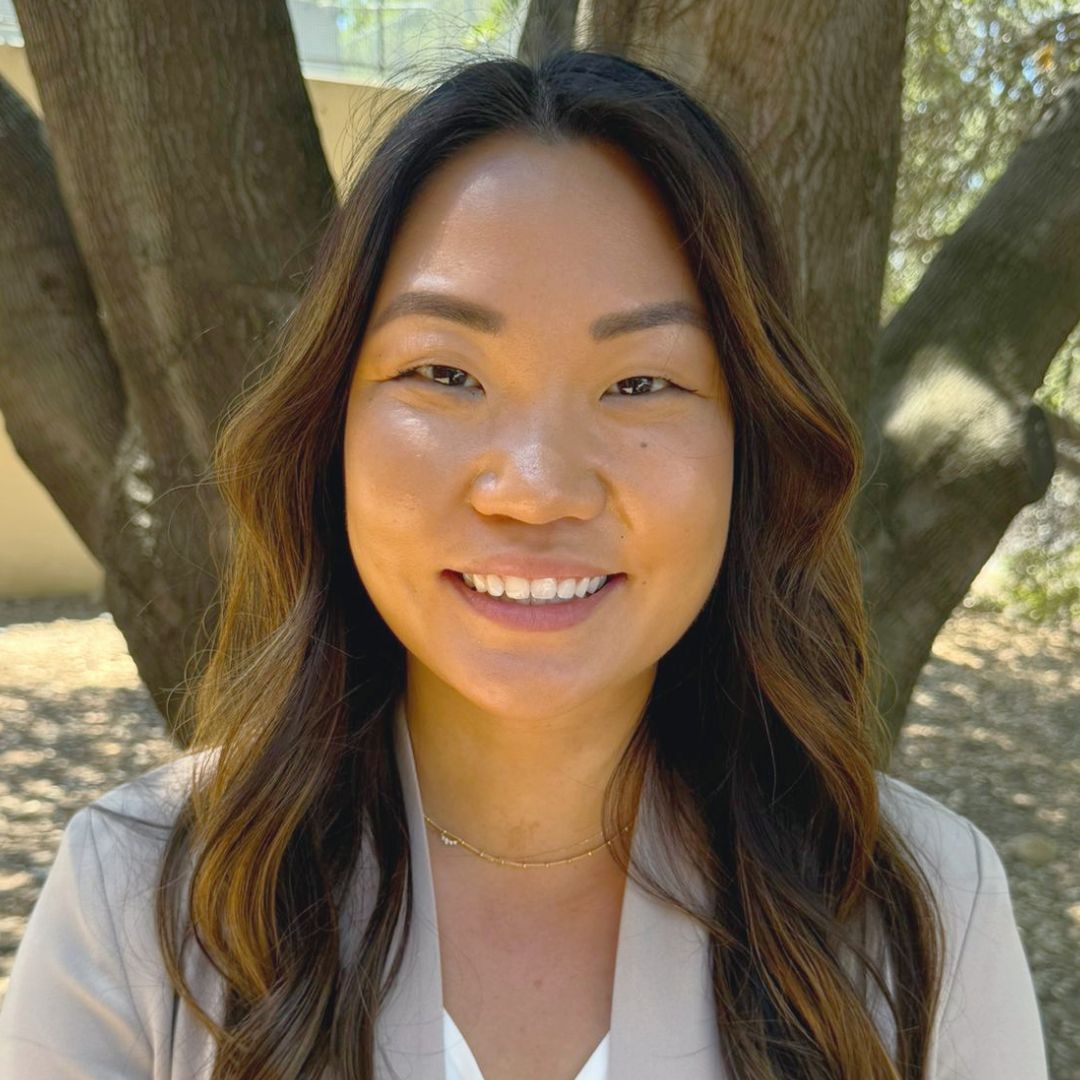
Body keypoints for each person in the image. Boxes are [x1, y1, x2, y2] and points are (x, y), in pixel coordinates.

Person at [0, 49, 1048, 1080]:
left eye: (641, 383)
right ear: (331, 430)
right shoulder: (145, 901)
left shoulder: (916, 914)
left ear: (751, 449)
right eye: (445, 372)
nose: (539, 486)